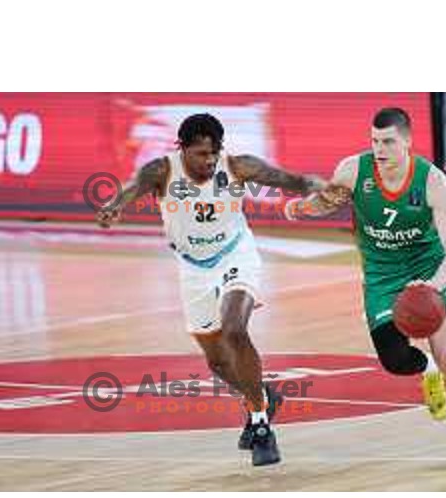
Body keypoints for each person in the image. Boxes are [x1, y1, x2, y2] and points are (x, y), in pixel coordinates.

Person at [96, 113, 323, 467]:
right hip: (192, 267)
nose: (209, 161)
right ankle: (261, 393)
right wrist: (113, 208)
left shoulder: (238, 167)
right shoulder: (161, 171)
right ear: (181, 149)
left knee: (234, 329)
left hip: (235, 253)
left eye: (213, 153)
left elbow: (286, 179)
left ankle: (260, 423)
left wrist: (318, 185)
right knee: (217, 361)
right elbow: (131, 189)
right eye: (201, 154)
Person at [285, 107, 446, 471]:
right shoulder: (353, 171)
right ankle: (430, 372)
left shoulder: (432, 181)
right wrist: (303, 206)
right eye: (375, 141)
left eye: (388, 142)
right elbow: (327, 201)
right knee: (395, 361)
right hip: (381, 275)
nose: (380, 149)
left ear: (408, 142)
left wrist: (433, 286)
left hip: (429, 270)